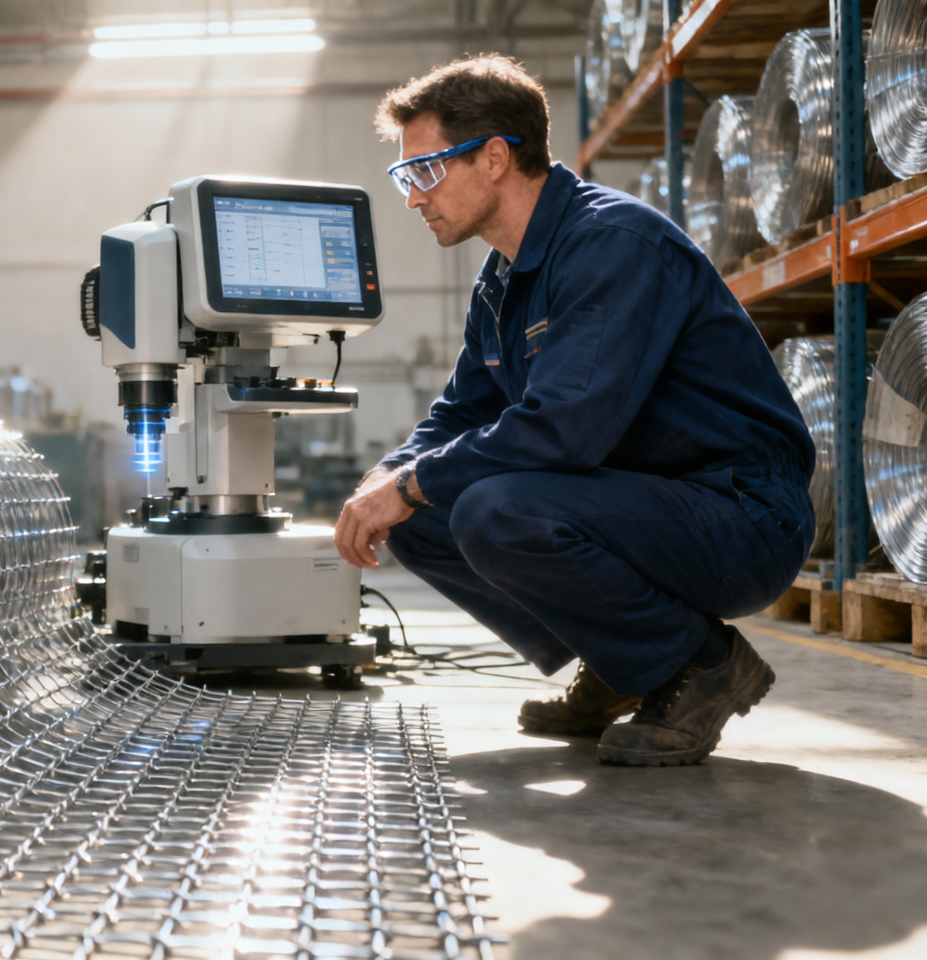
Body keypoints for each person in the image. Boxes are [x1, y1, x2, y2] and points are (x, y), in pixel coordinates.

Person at [335, 55, 815, 766]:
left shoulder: (610, 245)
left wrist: (410, 484)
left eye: (425, 171)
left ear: (494, 156)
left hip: (739, 514)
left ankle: (700, 665)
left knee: (493, 508)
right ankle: (624, 660)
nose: (413, 197)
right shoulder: (503, 281)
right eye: (406, 177)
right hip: (643, 504)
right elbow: (461, 412)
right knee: (423, 521)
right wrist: (387, 479)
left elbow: (565, 428)